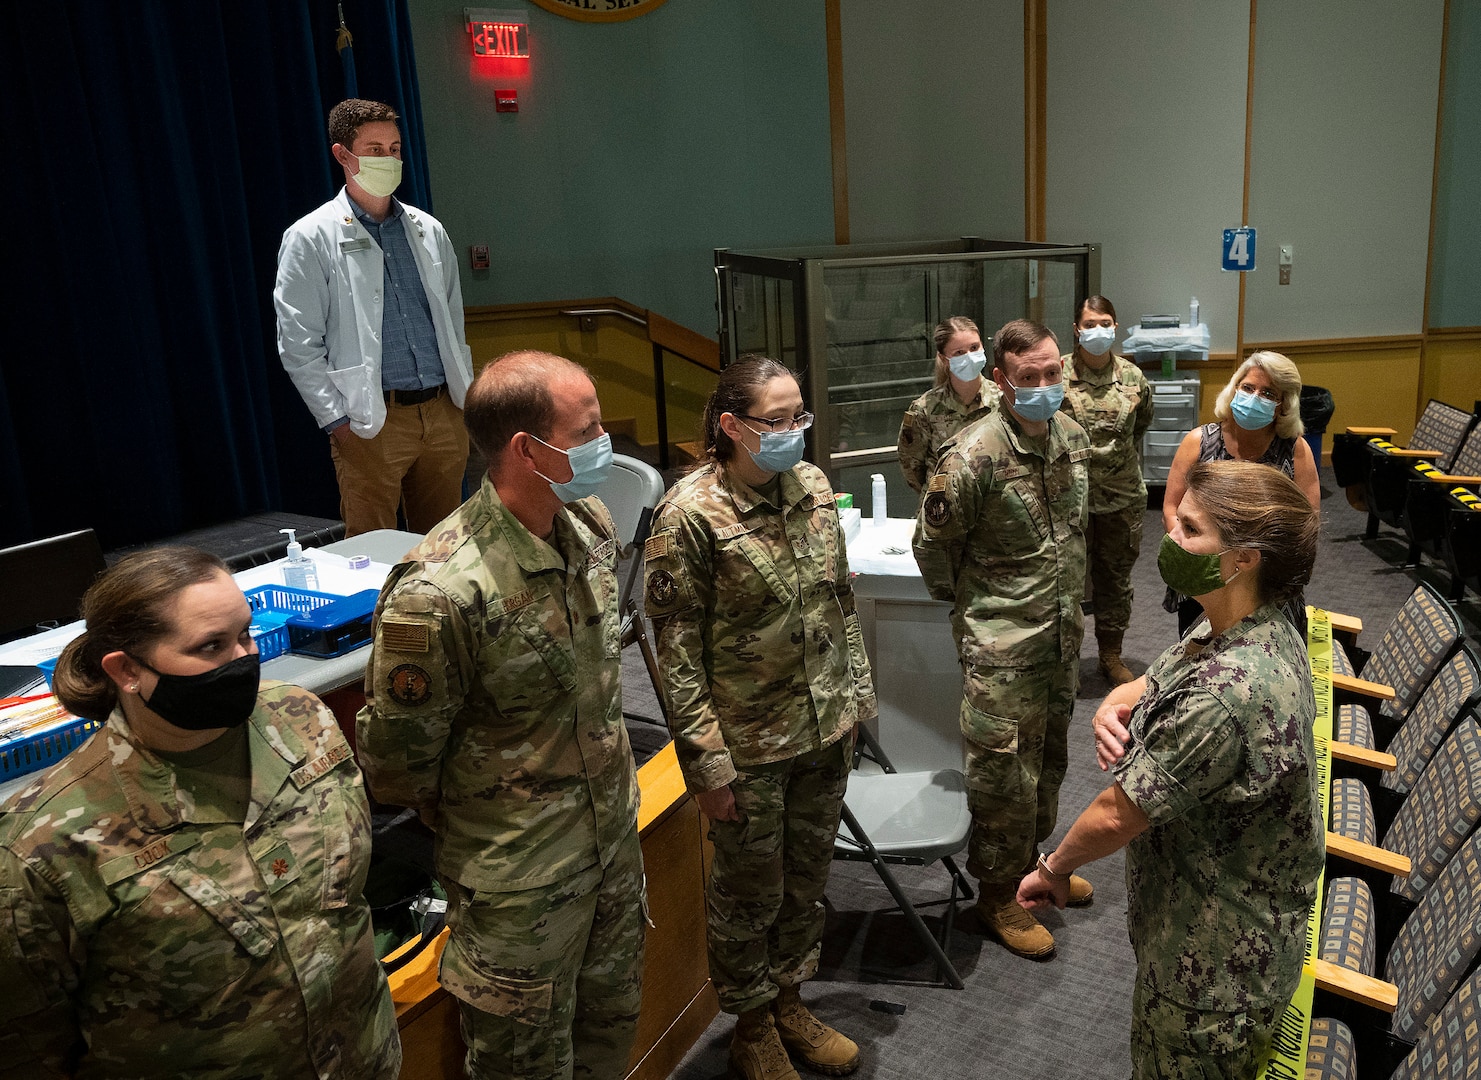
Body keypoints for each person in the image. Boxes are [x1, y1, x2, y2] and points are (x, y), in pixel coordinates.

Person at [0, 547, 399, 1079]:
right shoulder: (46, 845)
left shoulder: (301, 719)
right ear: (125, 671)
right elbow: (29, 1048)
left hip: (363, 1058)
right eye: (211, 646)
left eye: (245, 635)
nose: (242, 661)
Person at [356, 350, 643, 1080]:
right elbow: (395, 767)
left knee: (607, 1042)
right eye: (588, 430)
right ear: (526, 449)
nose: (607, 442)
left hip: (610, 845)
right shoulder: (441, 588)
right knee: (524, 1068)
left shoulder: (588, 525)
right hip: (519, 885)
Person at [1019, 460, 1324, 1080]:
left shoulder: (1226, 693)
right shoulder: (1255, 620)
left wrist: (1056, 868)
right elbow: (1161, 672)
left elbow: (1116, 813)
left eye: (1190, 528)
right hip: (1222, 918)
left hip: (1214, 971)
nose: (1171, 539)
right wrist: (1113, 700)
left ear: (1242, 558)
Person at [643, 355, 876, 1080]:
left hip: (821, 725)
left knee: (806, 880)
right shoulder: (687, 515)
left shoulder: (807, 486)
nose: (792, 432)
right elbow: (675, 656)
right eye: (776, 421)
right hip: (747, 744)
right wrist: (706, 765)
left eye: (798, 416)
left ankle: (789, 1001)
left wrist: (856, 702)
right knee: (749, 891)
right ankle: (750, 1024)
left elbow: (838, 603)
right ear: (730, 425)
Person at [912, 319, 1092, 960]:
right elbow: (932, 550)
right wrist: (978, 614)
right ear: (1000, 379)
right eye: (1028, 377)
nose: (1043, 386)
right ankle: (995, 896)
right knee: (1001, 775)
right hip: (1002, 646)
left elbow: (1074, 536)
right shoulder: (971, 455)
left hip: (1060, 639)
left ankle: (1034, 869)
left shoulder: (1071, 437)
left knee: (1046, 764)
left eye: (1052, 373)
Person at [275, 97, 475, 538]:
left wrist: (461, 404)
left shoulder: (428, 229)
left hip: (442, 413)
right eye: (375, 149)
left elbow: (453, 323)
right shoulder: (310, 237)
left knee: (445, 550)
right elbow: (298, 346)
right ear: (343, 155)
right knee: (371, 553)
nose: (389, 159)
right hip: (371, 421)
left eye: (395, 148)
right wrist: (338, 424)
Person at [1162, 351, 1320, 636]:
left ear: (1282, 405)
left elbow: (1306, 529)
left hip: (1264, 585)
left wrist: (1252, 576)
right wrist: (1200, 559)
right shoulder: (1199, 442)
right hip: (1204, 575)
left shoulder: (1295, 451)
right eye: (1248, 388)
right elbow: (1172, 509)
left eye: (1268, 392)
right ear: (1234, 388)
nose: (1254, 396)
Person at [1060, 296, 1154, 685]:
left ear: (1115, 326)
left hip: (1121, 499)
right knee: (1065, 583)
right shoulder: (1056, 374)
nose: (1097, 330)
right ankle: (1066, 662)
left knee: (1115, 581)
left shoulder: (1133, 378)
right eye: (1089, 323)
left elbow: (1141, 425)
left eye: (1105, 322)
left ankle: (1110, 657)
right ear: (1077, 329)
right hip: (1068, 499)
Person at [897, 316, 1000, 494]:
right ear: (944, 359)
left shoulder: (1003, 400)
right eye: (959, 353)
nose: (969, 356)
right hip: (943, 511)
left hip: (992, 508)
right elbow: (911, 467)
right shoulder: (925, 408)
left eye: (974, 348)